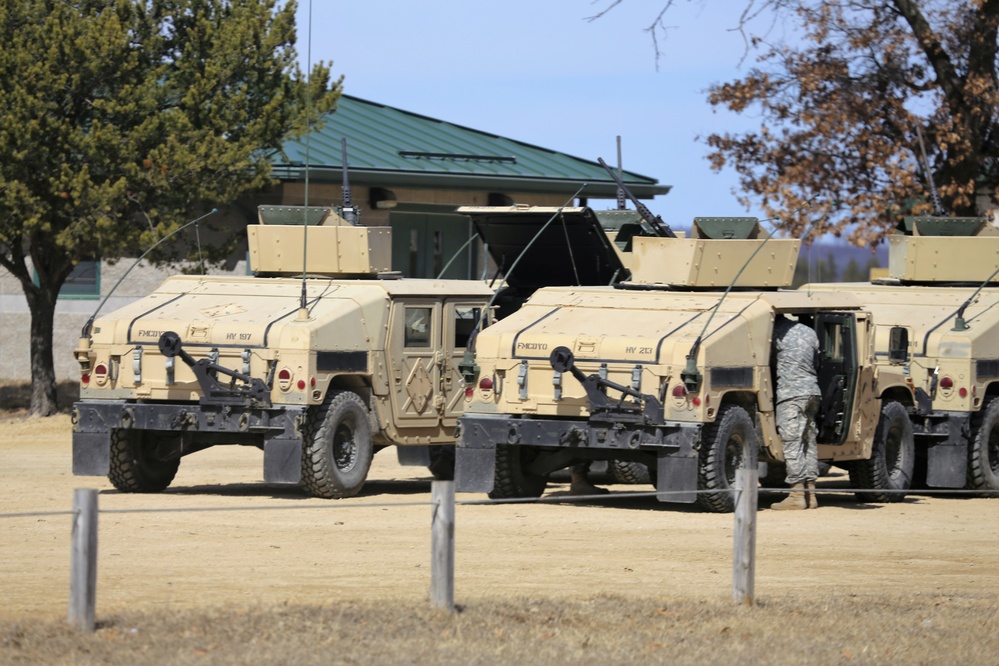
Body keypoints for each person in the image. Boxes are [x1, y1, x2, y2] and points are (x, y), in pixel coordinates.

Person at [771, 314, 822, 510]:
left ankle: (796, 495)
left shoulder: (774, 332)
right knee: (808, 441)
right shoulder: (808, 331)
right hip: (812, 391)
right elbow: (816, 359)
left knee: (792, 442)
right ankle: (811, 494)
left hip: (790, 393)